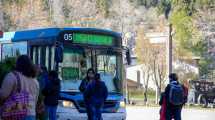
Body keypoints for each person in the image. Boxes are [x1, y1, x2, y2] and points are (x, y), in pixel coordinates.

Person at [0, 55, 39, 120]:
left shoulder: (12, 76)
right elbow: (35, 99)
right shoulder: (35, 81)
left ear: (17, 64)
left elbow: (3, 95)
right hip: (31, 115)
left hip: (15, 114)